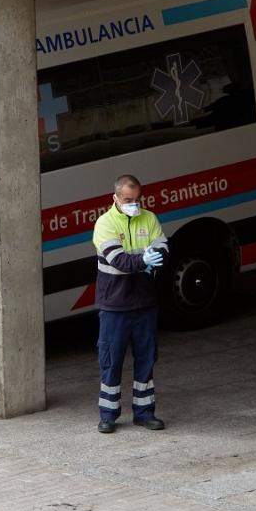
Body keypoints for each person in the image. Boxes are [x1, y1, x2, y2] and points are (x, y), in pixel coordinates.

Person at [92, 174, 169, 433]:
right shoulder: (105, 224)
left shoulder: (150, 218)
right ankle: (108, 415)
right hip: (115, 305)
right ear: (115, 198)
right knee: (111, 361)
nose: (133, 204)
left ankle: (145, 413)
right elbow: (119, 261)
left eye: (137, 199)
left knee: (146, 359)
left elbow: (164, 248)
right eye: (128, 200)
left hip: (145, 303)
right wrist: (144, 261)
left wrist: (156, 256)